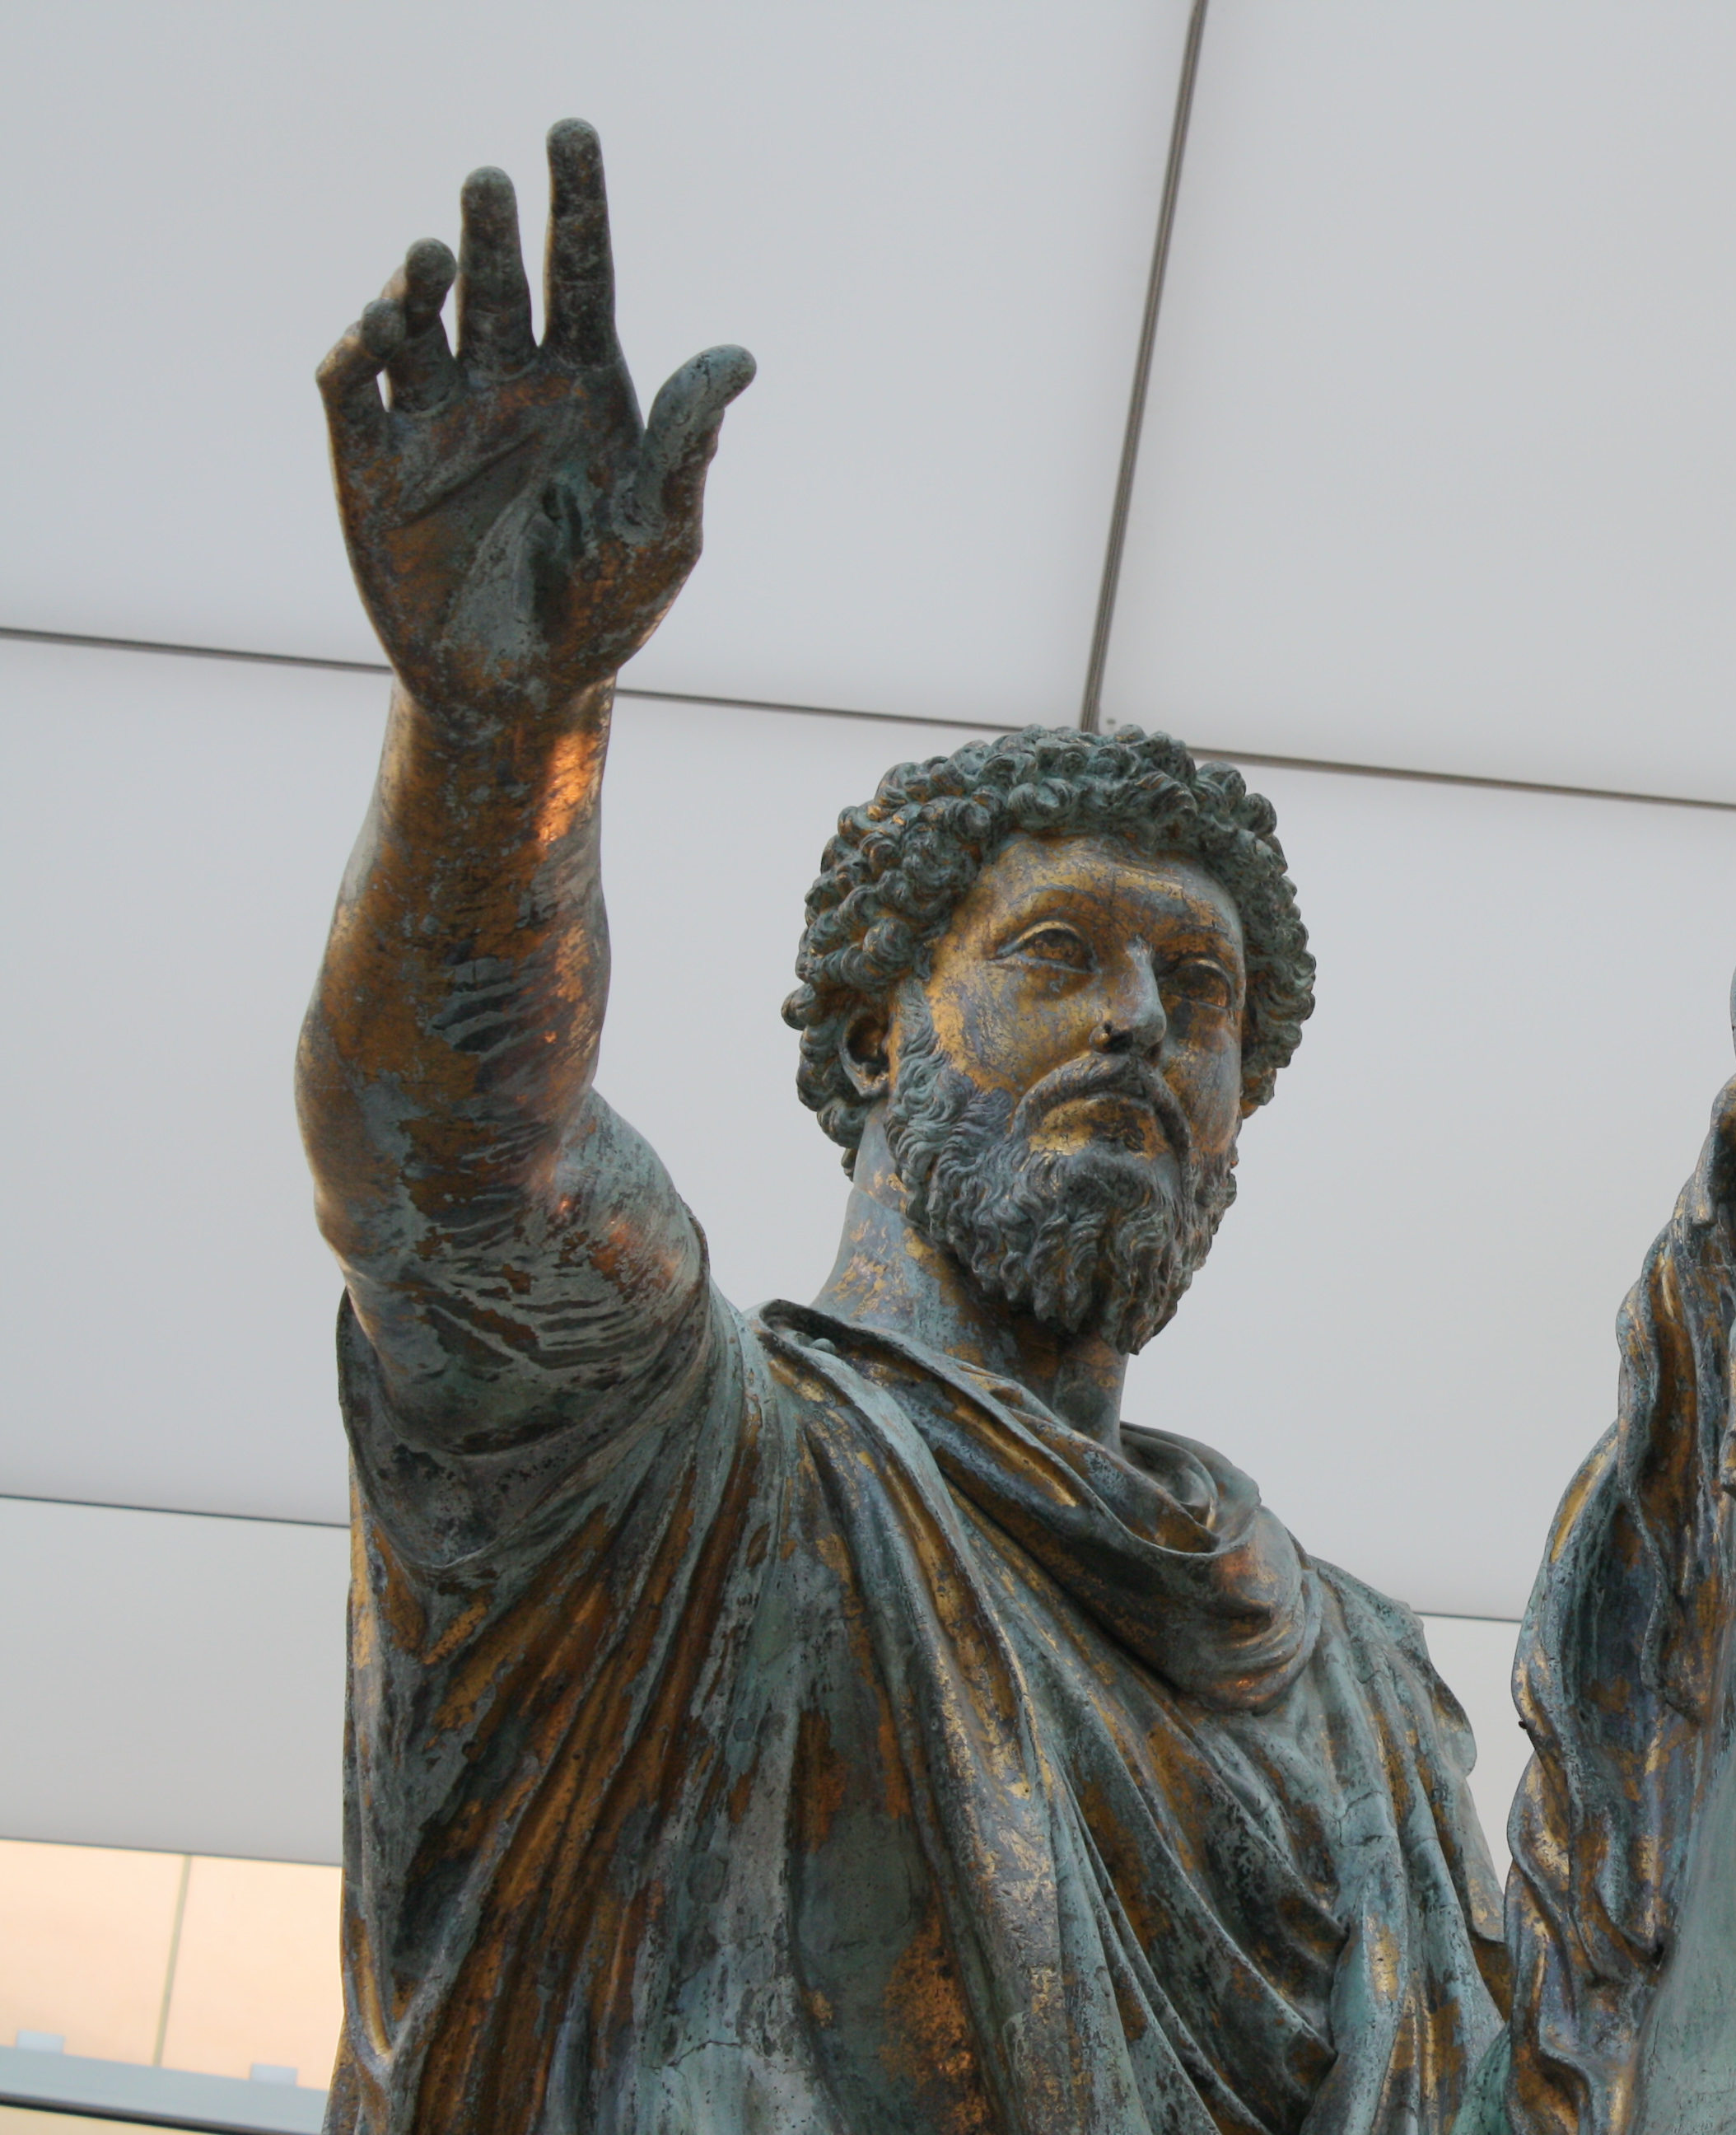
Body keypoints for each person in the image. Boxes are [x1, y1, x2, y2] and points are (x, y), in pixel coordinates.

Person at [296, 119, 1505, 2135]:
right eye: (1062, 955)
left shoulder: (1360, 1692)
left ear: (1235, 1130)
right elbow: (445, 1168)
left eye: (1199, 1003)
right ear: (874, 1037)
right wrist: (502, 735)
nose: (1138, 1025)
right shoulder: (680, 1465)